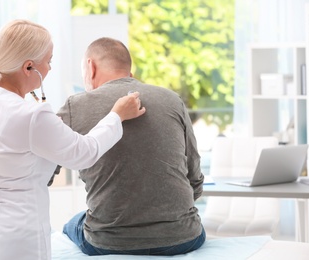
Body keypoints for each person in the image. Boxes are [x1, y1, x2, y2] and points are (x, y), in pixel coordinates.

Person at [0, 21, 145, 260]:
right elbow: (84, 152)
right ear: (29, 67)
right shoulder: (31, 115)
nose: (50, 68)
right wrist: (117, 115)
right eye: (49, 61)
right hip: (11, 244)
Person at [57, 37, 206, 256]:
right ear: (130, 72)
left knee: (71, 224)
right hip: (183, 237)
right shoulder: (172, 100)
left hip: (107, 241)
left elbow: (44, 168)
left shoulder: (74, 106)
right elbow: (194, 176)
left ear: (90, 67)